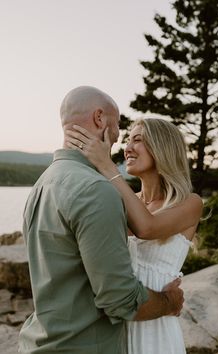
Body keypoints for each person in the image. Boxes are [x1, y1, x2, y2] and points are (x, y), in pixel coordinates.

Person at [18, 86, 185, 354]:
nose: (121, 141)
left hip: (41, 342)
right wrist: (169, 302)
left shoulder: (43, 184)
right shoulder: (96, 190)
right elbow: (120, 299)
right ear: (100, 119)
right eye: (119, 126)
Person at [65, 117, 203, 354]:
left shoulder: (190, 203)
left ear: (162, 148)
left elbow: (146, 228)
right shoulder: (124, 201)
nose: (127, 148)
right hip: (116, 325)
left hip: (156, 329)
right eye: (128, 140)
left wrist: (107, 166)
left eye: (137, 140)